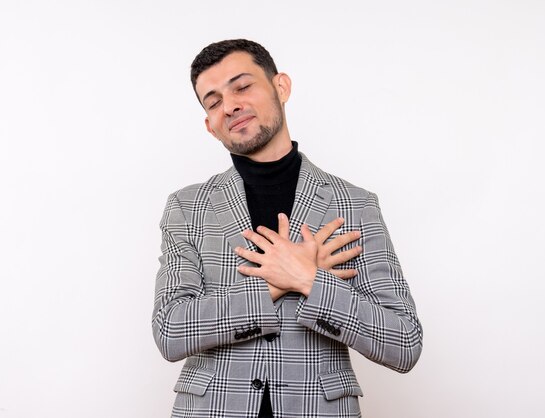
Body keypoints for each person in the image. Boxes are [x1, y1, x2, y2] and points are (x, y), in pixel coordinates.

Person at [152, 39, 422, 418]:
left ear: (281, 87)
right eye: (213, 102)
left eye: (242, 86)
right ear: (210, 126)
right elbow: (171, 331)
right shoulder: (187, 206)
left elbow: (403, 342)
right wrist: (276, 284)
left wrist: (311, 279)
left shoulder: (356, 204)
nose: (230, 106)